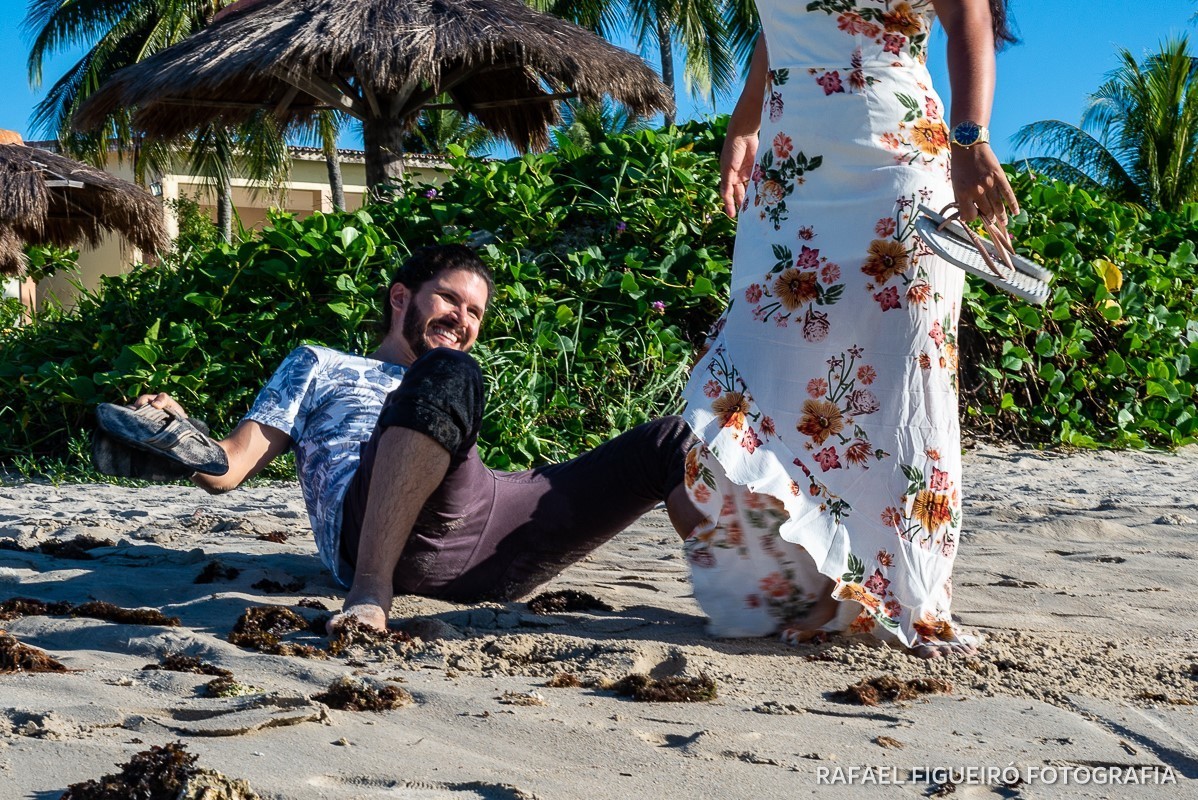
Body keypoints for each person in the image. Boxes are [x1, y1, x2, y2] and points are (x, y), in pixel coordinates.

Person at [97, 245, 702, 631]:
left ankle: (750, 588)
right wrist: (180, 433)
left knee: (669, 440)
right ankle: (371, 592)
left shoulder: (449, 372)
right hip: (379, 537)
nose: (462, 320)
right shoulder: (320, 363)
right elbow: (228, 469)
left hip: (488, 530)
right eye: (449, 299)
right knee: (444, 369)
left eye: (475, 314)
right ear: (400, 297)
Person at [679, 0, 1019, 657]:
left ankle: (905, 595)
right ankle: (806, 585)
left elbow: (968, 18)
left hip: (897, 161)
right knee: (756, 367)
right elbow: (776, 29)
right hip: (789, 172)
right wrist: (744, 124)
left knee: (902, 379)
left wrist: (971, 137)